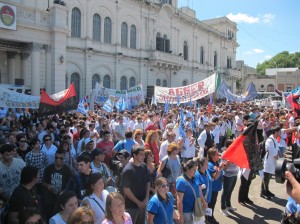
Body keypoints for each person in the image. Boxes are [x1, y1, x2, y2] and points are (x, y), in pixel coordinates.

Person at [121, 146, 150, 224]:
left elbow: (148, 182)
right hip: (131, 207)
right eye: (141, 154)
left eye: (144, 154)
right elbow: (126, 190)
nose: (143, 157)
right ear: (134, 155)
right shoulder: (128, 170)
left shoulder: (144, 166)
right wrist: (138, 202)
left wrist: (146, 198)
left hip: (143, 205)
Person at [42, 148, 73, 220]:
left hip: (62, 200)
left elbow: (71, 183)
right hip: (50, 200)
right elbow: (43, 182)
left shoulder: (67, 169)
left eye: (60, 158)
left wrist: (65, 191)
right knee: (49, 218)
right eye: (56, 157)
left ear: (64, 158)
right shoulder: (49, 168)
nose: (58, 159)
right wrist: (48, 185)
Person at [176, 159, 200, 224]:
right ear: (187, 169)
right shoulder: (181, 181)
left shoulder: (194, 178)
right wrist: (181, 215)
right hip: (186, 212)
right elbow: (179, 200)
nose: (196, 171)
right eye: (194, 169)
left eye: (196, 169)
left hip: (194, 210)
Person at [219, 139, 239, 216]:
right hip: (228, 175)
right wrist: (228, 163)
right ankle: (223, 207)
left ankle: (228, 205)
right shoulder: (225, 153)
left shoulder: (235, 152)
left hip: (235, 174)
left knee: (230, 190)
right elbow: (223, 167)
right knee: (226, 191)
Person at [261, 125, 280, 199]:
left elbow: (277, 149)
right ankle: (263, 192)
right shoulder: (269, 140)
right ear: (275, 132)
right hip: (269, 162)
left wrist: (281, 155)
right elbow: (273, 152)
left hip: (273, 162)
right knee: (266, 177)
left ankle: (267, 190)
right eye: (279, 132)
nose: (280, 133)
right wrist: (279, 161)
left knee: (269, 177)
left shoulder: (274, 139)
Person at [206, 148, 224, 224]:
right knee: (210, 204)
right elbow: (215, 177)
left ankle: (210, 217)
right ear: (212, 156)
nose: (219, 155)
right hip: (211, 189)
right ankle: (209, 219)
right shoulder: (210, 165)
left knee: (212, 204)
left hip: (216, 188)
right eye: (217, 154)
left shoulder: (216, 162)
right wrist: (220, 169)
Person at [194, 157, 212, 224]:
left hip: (206, 200)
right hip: (200, 201)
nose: (208, 165)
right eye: (206, 164)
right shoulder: (197, 175)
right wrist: (204, 202)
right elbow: (198, 190)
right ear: (201, 165)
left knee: (202, 218)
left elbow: (210, 181)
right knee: (198, 220)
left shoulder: (206, 172)